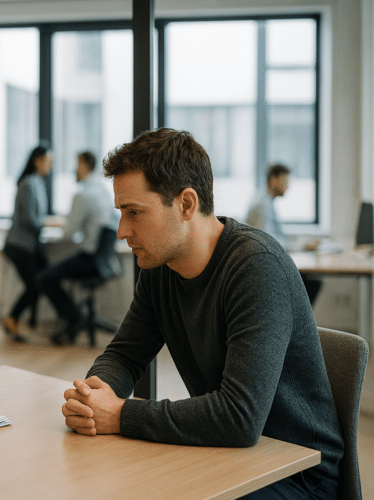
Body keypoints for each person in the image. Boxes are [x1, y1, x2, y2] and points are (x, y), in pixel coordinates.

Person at [61, 128, 342, 499]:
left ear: (186, 204)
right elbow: (124, 356)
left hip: (298, 474)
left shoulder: (256, 267)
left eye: (134, 213)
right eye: (121, 213)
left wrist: (119, 415)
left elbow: (239, 416)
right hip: (226, 454)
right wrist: (93, 396)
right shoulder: (161, 266)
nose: (121, 231)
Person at [37, 151, 119, 345]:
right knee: (56, 272)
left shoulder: (83, 195)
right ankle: (75, 318)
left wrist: (55, 224)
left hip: (90, 260)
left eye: (77, 164)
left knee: (45, 278)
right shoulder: (102, 190)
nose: (74, 169)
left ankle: (74, 318)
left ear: (84, 166)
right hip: (105, 261)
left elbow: (69, 233)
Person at [246, 163, 322, 304]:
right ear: (273, 180)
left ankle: (295, 316)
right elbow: (269, 242)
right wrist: (302, 246)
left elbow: (276, 238)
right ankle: (295, 317)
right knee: (312, 281)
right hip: (266, 271)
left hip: (269, 266)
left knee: (311, 279)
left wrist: (302, 243)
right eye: (285, 181)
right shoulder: (262, 205)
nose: (288, 186)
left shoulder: (266, 201)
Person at [2, 145, 53, 343]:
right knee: (35, 285)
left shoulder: (38, 182)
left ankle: (27, 321)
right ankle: (11, 319)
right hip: (19, 245)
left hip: (29, 245)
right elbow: (29, 219)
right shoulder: (29, 184)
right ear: (37, 161)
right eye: (47, 161)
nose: (50, 165)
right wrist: (50, 222)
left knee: (41, 280)